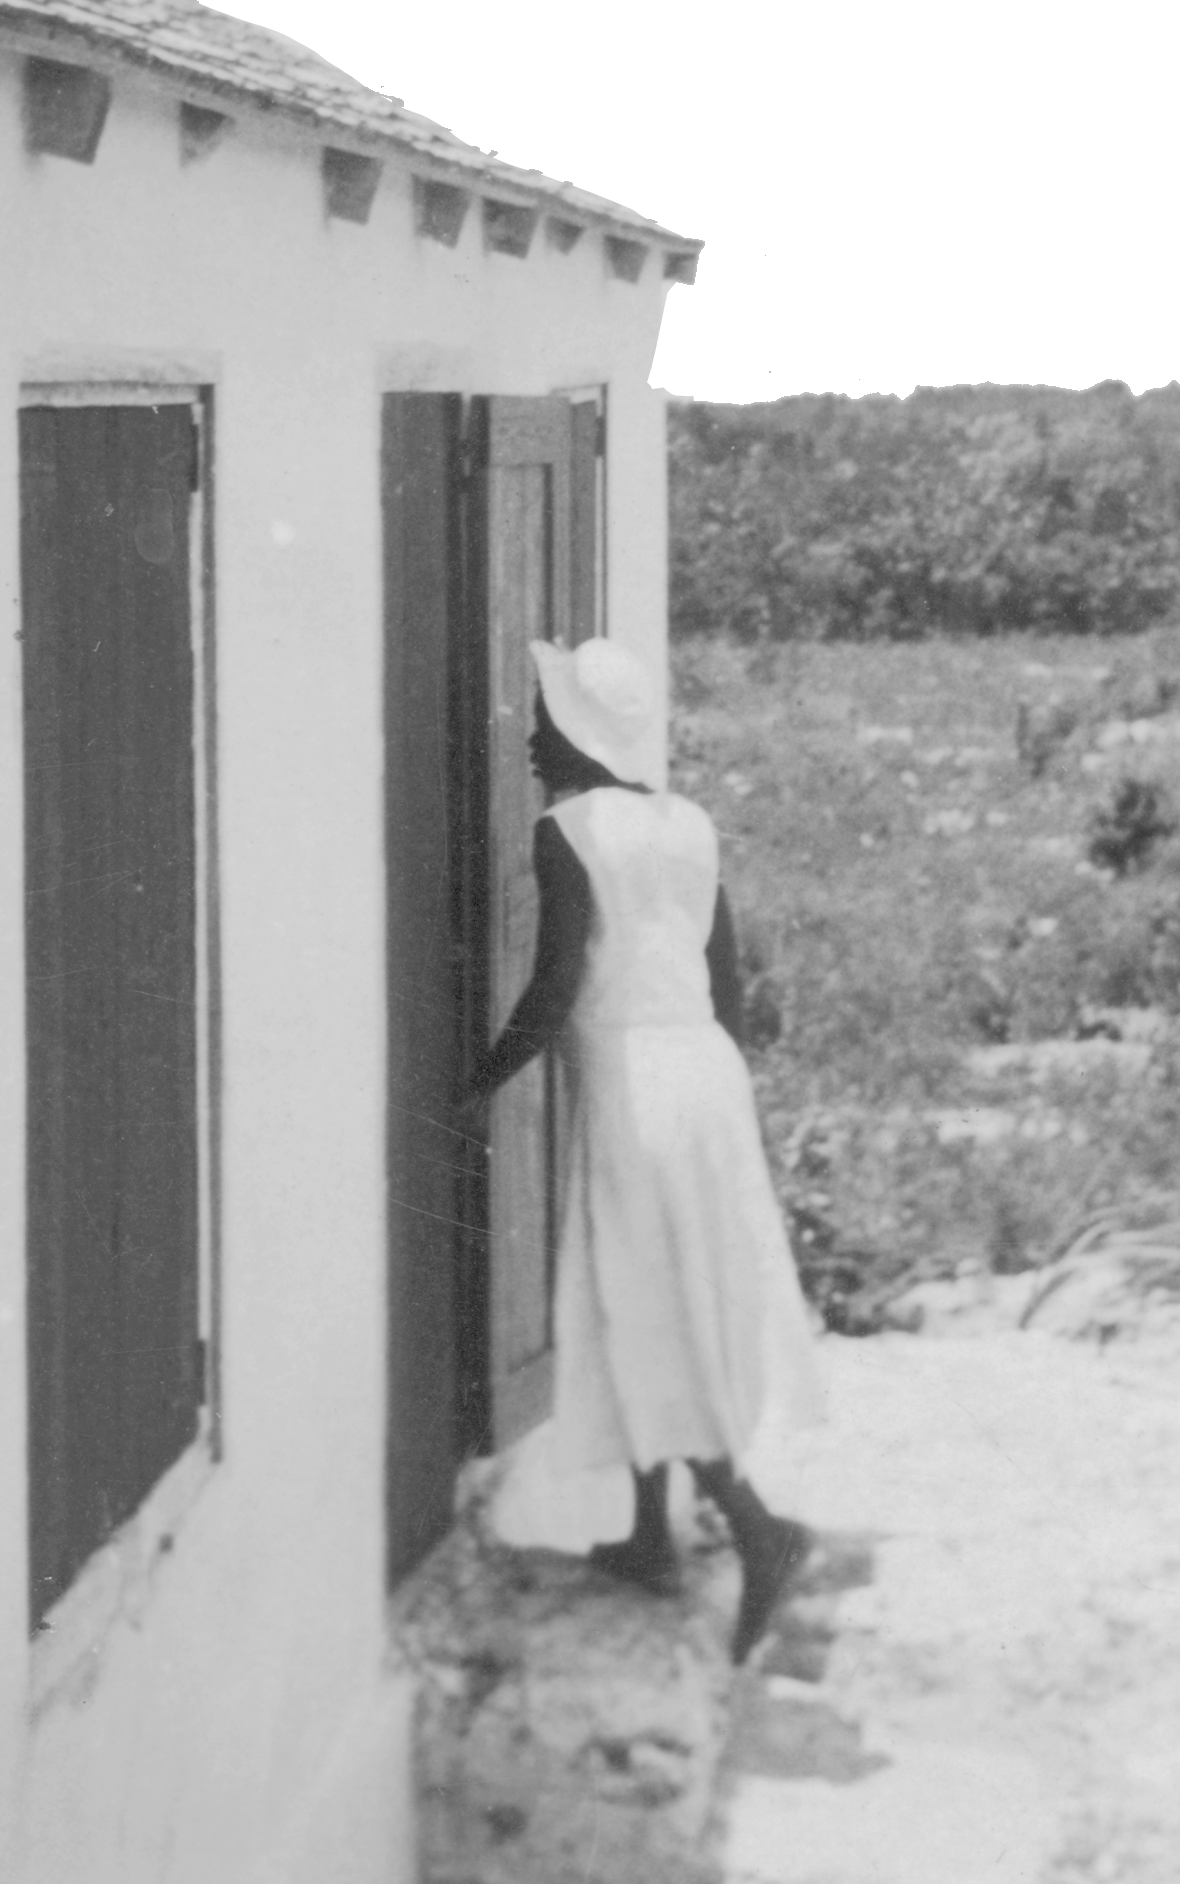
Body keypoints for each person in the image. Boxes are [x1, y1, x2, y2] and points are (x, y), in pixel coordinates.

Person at [460, 635, 827, 1665]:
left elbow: (555, 986)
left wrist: (480, 1083)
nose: (532, 739)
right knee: (653, 1291)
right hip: (703, 1074)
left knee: (643, 1297)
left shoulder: (569, 829)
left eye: (545, 720)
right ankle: (643, 1533)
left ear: (579, 736)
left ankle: (759, 1527)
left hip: (635, 1084)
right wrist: (721, 1096)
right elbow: (725, 976)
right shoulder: (688, 823)